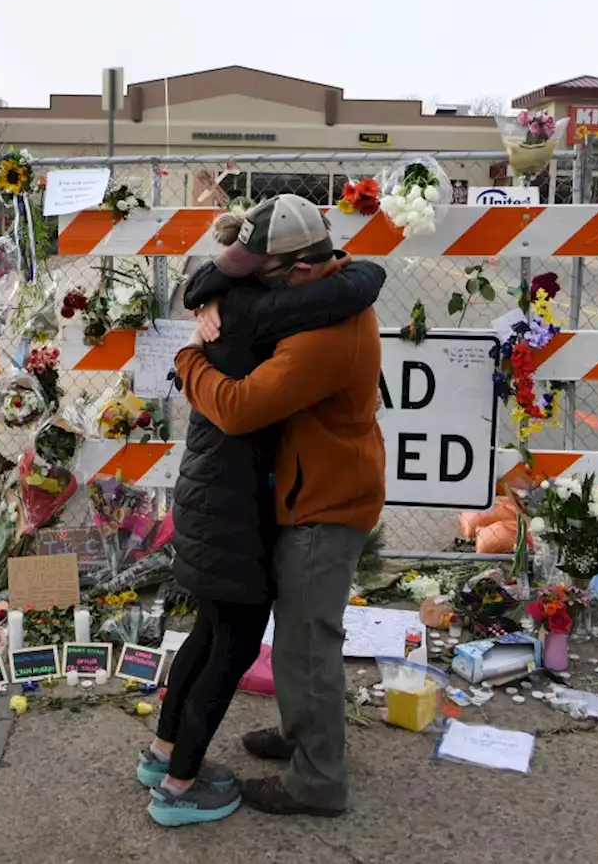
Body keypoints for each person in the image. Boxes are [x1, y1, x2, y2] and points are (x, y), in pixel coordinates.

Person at [141, 195, 386, 828]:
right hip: (302, 492)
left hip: (326, 501)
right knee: (293, 636)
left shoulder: (326, 335)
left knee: (307, 644)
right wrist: (214, 297)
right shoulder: (321, 298)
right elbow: (228, 285)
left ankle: (318, 781)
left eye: (267, 274)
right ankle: (301, 734)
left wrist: (187, 358)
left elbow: (241, 407)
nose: (258, 287)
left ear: (301, 271)